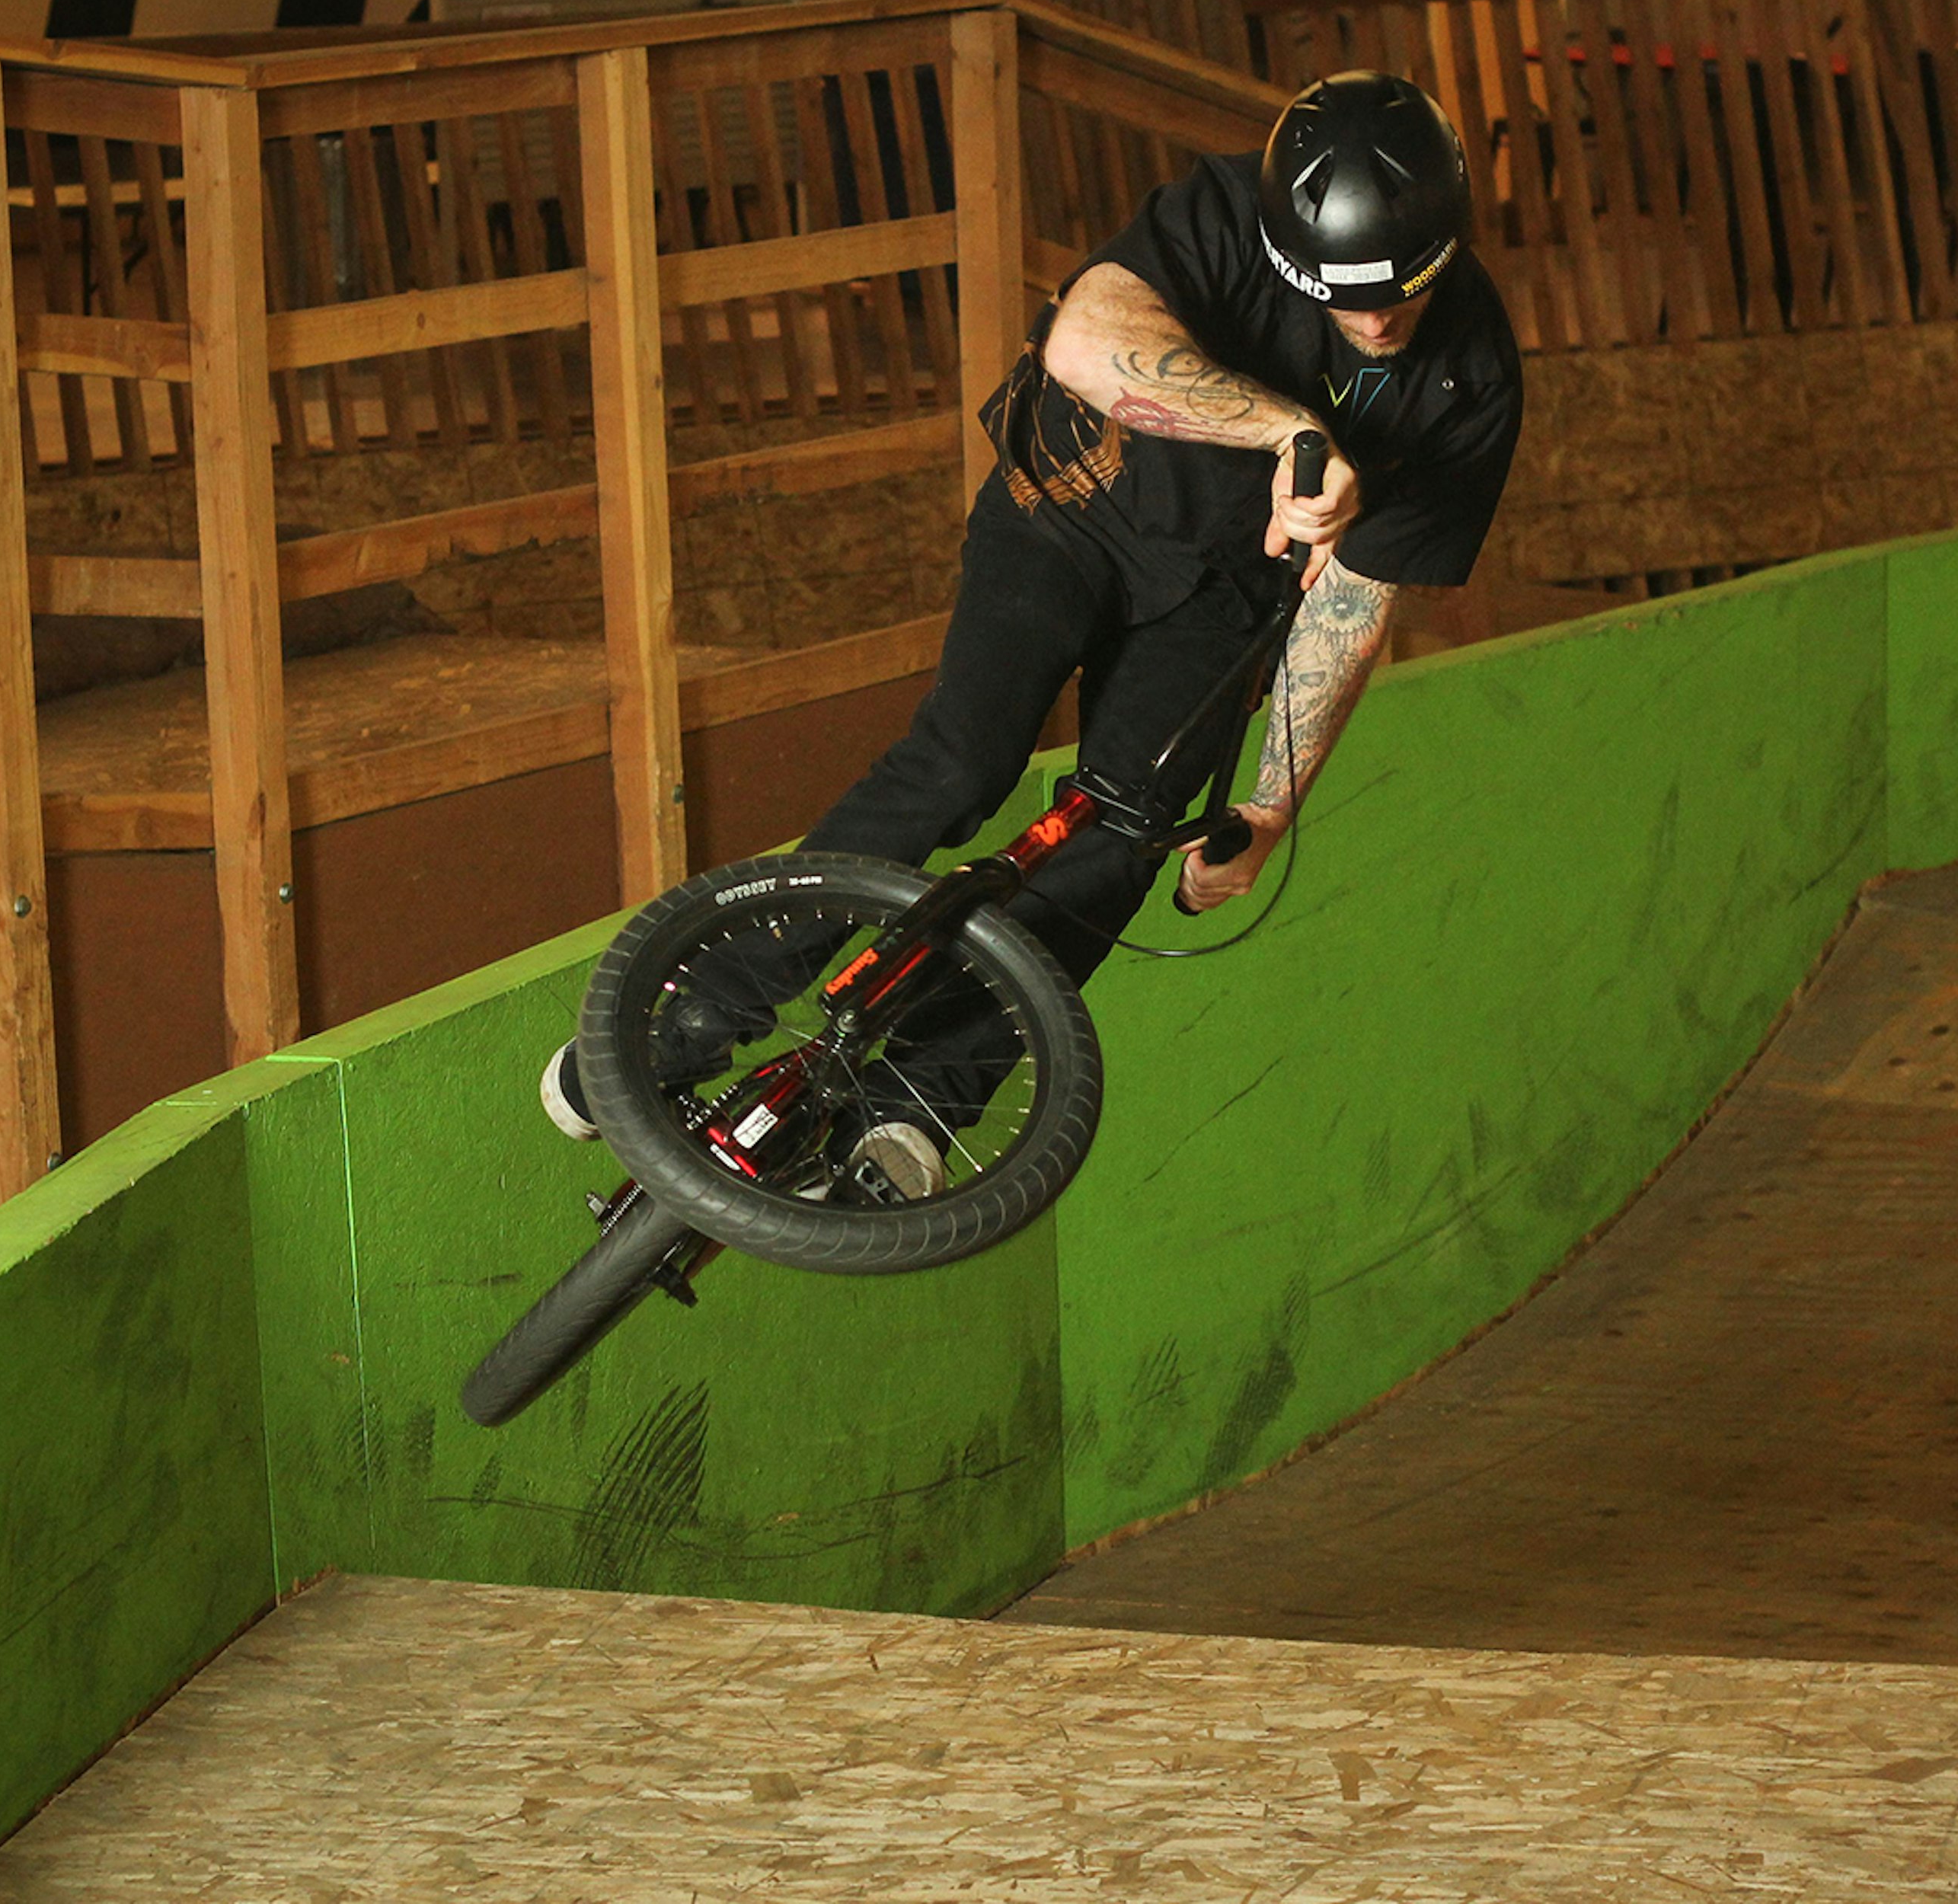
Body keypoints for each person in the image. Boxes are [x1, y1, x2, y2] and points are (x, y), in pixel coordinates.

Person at [540, 70, 1525, 1190]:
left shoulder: (1471, 380)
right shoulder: (1219, 213)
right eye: (1342, 298)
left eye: (1399, 294)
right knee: (966, 754)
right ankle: (686, 1019)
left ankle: (914, 1100)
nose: (1375, 320)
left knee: (1129, 832)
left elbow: (1354, 597)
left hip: (1222, 600)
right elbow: (1087, 339)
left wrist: (1270, 802)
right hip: (1072, 504)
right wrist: (1288, 427)